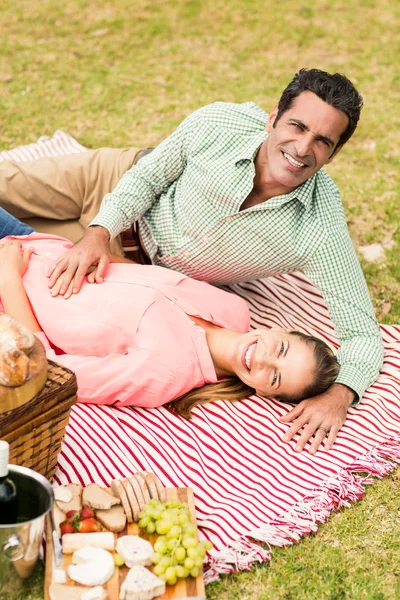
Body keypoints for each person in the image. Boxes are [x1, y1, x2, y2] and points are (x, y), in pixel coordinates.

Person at [0, 68, 384, 453]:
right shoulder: (220, 122)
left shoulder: (320, 227)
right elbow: (146, 180)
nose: (302, 147)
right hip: (115, 189)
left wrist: (339, 396)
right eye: (296, 126)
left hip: (107, 267)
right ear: (273, 118)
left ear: (333, 154)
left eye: (322, 141)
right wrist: (98, 231)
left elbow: (363, 334)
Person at [0, 234, 339, 435]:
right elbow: (141, 275)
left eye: (275, 378)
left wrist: (9, 279)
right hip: (36, 243)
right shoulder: (234, 308)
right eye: (280, 349)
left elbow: (49, 371)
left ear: (265, 393)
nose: (263, 359)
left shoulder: (165, 374)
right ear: (280, 330)